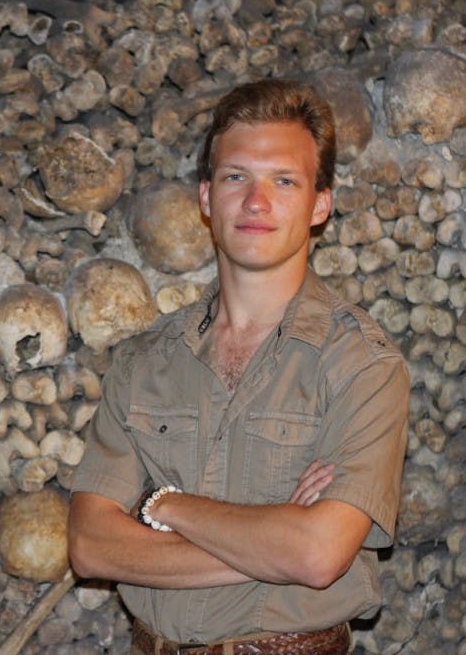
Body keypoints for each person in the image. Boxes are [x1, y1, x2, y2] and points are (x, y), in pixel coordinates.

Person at [67, 78, 409, 655]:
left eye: (283, 180)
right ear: (205, 198)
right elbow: (90, 544)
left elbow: (318, 555)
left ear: (320, 203)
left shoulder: (362, 366)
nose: (256, 202)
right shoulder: (142, 365)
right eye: (235, 178)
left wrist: (165, 505)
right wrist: (272, 538)